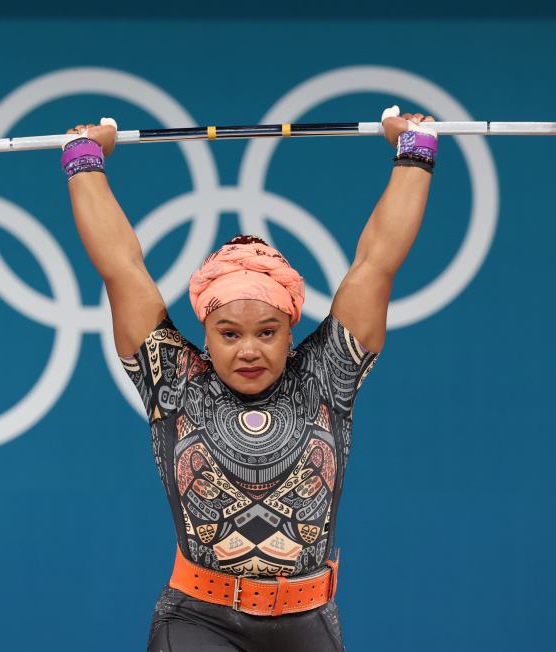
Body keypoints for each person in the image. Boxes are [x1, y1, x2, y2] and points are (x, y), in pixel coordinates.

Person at [63, 108, 436, 651]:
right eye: (230, 334)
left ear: (291, 329)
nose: (249, 350)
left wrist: (415, 152)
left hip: (309, 623)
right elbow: (120, 266)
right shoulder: (173, 378)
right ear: (204, 336)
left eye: (266, 331)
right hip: (199, 623)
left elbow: (377, 261)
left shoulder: (328, 374)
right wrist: (84, 160)